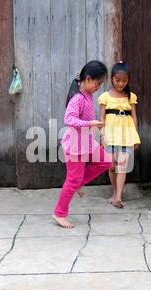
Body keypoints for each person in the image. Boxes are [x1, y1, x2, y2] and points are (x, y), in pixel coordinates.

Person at [53, 60, 112, 228]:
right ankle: (59, 213)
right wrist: (90, 124)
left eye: (101, 83)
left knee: (105, 161)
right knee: (72, 180)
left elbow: (88, 121)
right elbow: (68, 119)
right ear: (88, 79)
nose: (99, 86)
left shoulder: (89, 97)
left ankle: (79, 182)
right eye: (98, 83)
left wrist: (99, 131)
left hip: (87, 142)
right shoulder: (77, 98)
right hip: (75, 145)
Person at [99, 61, 141, 208]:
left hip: (126, 136)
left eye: (124, 81)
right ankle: (114, 192)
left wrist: (135, 136)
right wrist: (102, 135)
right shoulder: (105, 97)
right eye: (118, 80)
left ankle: (118, 197)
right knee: (111, 165)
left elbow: (134, 117)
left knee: (122, 165)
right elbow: (102, 119)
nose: (121, 84)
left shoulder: (130, 97)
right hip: (110, 136)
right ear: (111, 78)